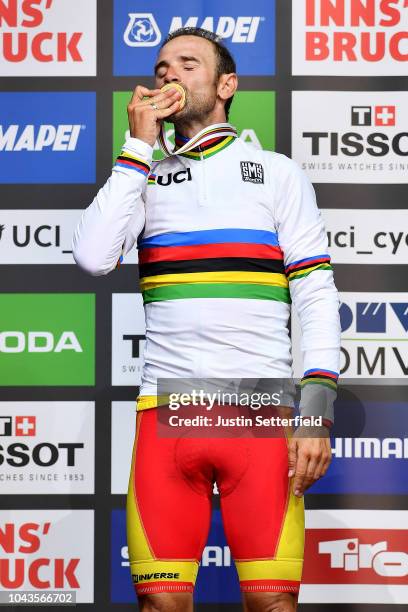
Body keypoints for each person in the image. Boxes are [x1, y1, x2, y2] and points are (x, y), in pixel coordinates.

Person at [72, 27, 341, 612]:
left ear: (226, 84)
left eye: (188, 64)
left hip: (262, 413)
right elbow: (92, 257)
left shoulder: (276, 173)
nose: (170, 75)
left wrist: (316, 412)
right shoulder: (139, 178)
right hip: (167, 413)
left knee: (274, 603)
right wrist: (136, 149)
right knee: (160, 605)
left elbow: (315, 293)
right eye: (162, 66)